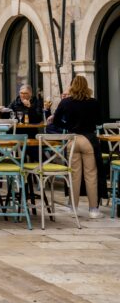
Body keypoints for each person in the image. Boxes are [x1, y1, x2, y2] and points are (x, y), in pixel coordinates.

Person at [48, 76, 104, 218]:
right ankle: (93, 210)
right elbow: (99, 121)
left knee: (74, 175)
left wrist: (69, 125)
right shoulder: (94, 102)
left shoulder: (66, 102)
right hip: (89, 140)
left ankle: (73, 207)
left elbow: (55, 121)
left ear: (72, 86)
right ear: (86, 86)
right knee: (91, 175)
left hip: (72, 140)